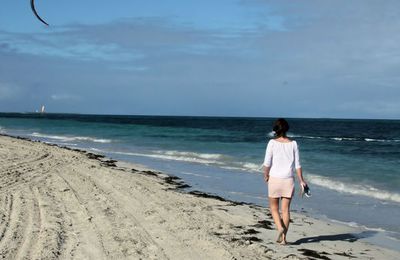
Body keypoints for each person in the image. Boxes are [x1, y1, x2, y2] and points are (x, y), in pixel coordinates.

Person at [263, 118, 307, 245]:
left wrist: (265, 175)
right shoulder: (294, 144)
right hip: (288, 180)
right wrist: (302, 181)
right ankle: (284, 239)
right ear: (287, 129)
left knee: (274, 208)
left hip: (274, 179)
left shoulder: (271, 143)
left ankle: (280, 228)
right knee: (286, 210)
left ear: (275, 129)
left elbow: (267, 163)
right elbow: (298, 165)